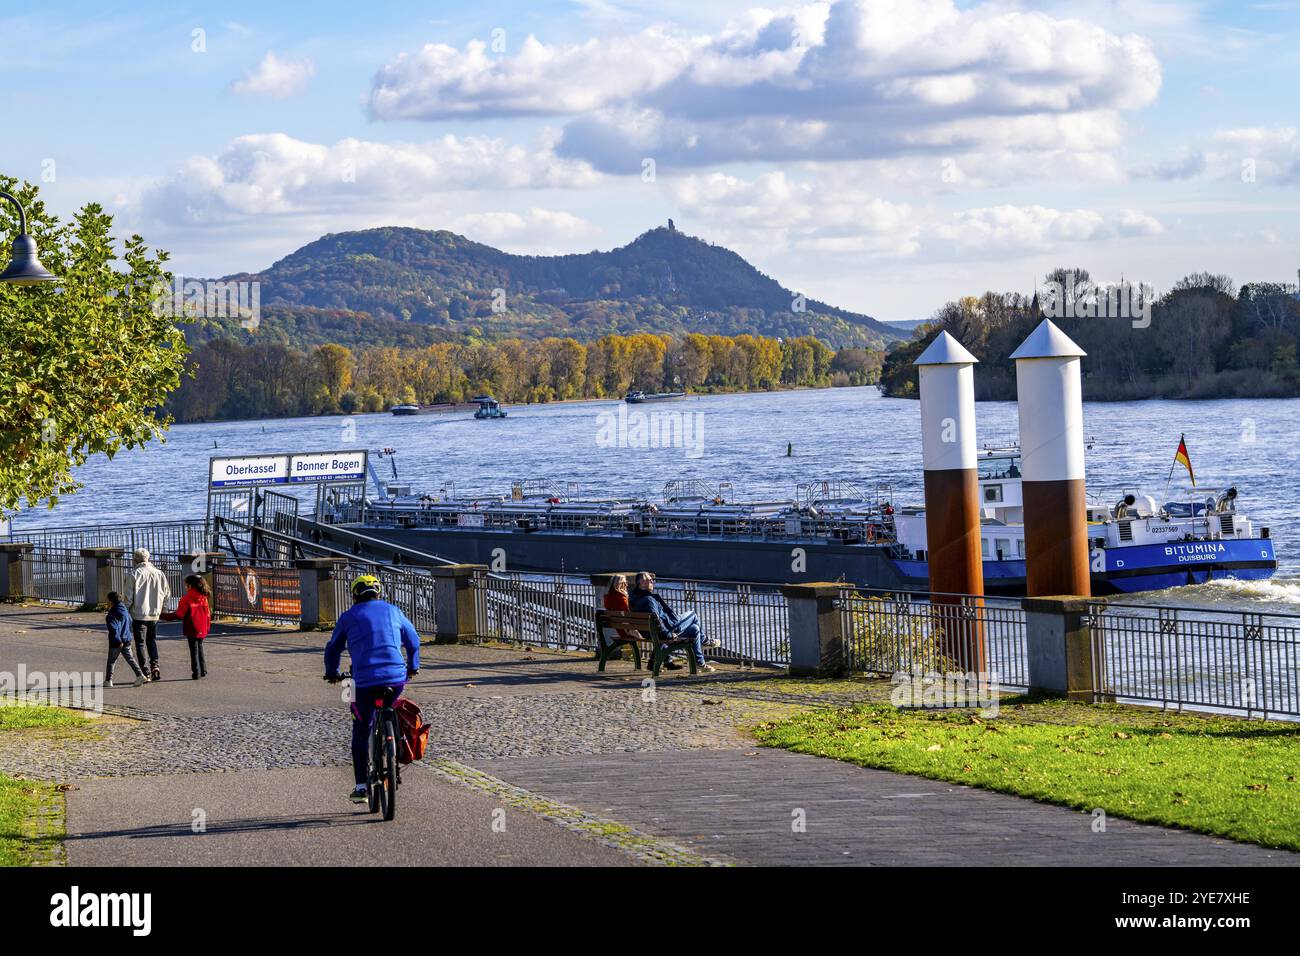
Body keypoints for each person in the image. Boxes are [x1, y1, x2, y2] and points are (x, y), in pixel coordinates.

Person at [324, 574, 421, 805]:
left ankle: (361, 786)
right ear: (379, 593)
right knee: (390, 705)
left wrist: (332, 673)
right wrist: (413, 667)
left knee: (361, 728)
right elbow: (414, 641)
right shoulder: (394, 611)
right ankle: (393, 747)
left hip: (364, 681)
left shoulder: (348, 616)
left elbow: (333, 649)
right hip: (395, 678)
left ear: (355, 595)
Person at [628, 571, 719, 673]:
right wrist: (668, 634)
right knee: (693, 615)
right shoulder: (648, 600)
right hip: (667, 630)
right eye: (649, 580)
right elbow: (655, 620)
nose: (652, 582)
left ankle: (700, 663)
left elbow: (655, 621)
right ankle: (705, 641)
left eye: (652, 580)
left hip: (650, 633)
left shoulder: (635, 598)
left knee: (695, 629)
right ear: (641, 583)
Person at [126, 548, 170, 682]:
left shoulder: (133, 574)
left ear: (135, 560)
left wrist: (124, 612)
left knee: (140, 643)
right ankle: (155, 665)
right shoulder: (159, 573)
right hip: (155, 614)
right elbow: (167, 594)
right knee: (152, 640)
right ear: (148, 559)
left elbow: (128, 597)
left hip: (139, 614)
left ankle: (145, 672)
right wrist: (164, 610)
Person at [161, 574, 212, 680]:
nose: (185, 587)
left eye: (186, 585)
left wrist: (162, 615)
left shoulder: (186, 599)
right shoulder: (204, 597)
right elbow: (208, 614)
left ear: (190, 586)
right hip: (202, 626)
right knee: (200, 647)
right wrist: (207, 626)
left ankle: (196, 672)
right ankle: (203, 669)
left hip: (192, 627)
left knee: (193, 650)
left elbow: (179, 614)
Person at [104, 591, 147, 688]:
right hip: (127, 638)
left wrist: (118, 641)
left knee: (111, 660)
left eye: (107, 600)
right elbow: (130, 621)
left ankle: (108, 680)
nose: (106, 602)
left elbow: (114, 629)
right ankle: (140, 675)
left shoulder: (111, 614)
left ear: (111, 602)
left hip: (117, 641)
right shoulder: (124, 610)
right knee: (130, 659)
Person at [600, 574, 640, 647]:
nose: (627, 585)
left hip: (620, 630)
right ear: (620, 584)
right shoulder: (622, 598)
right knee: (656, 633)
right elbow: (628, 615)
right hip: (627, 632)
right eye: (625, 582)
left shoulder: (607, 597)